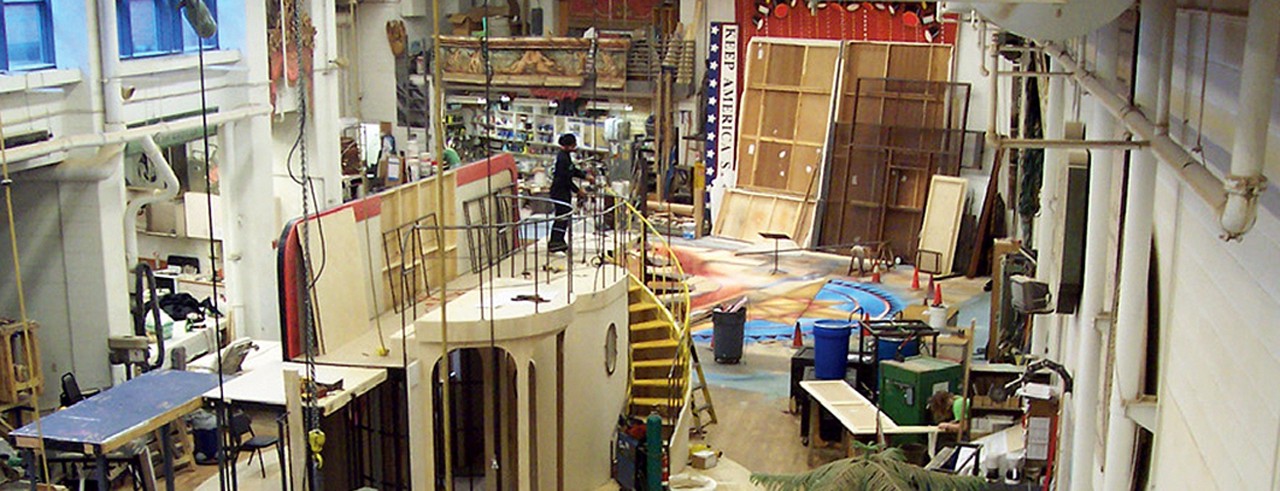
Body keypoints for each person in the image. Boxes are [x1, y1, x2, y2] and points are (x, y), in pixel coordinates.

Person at [548, 133, 586, 253]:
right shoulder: (562, 158)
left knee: (564, 217)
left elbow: (572, 170)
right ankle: (555, 243)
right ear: (568, 145)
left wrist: (585, 175)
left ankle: (559, 241)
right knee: (562, 217)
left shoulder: (566, 157)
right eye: (573, 144)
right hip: (559, 191)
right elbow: (565, 179)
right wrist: (577, 190)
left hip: (564, 191)